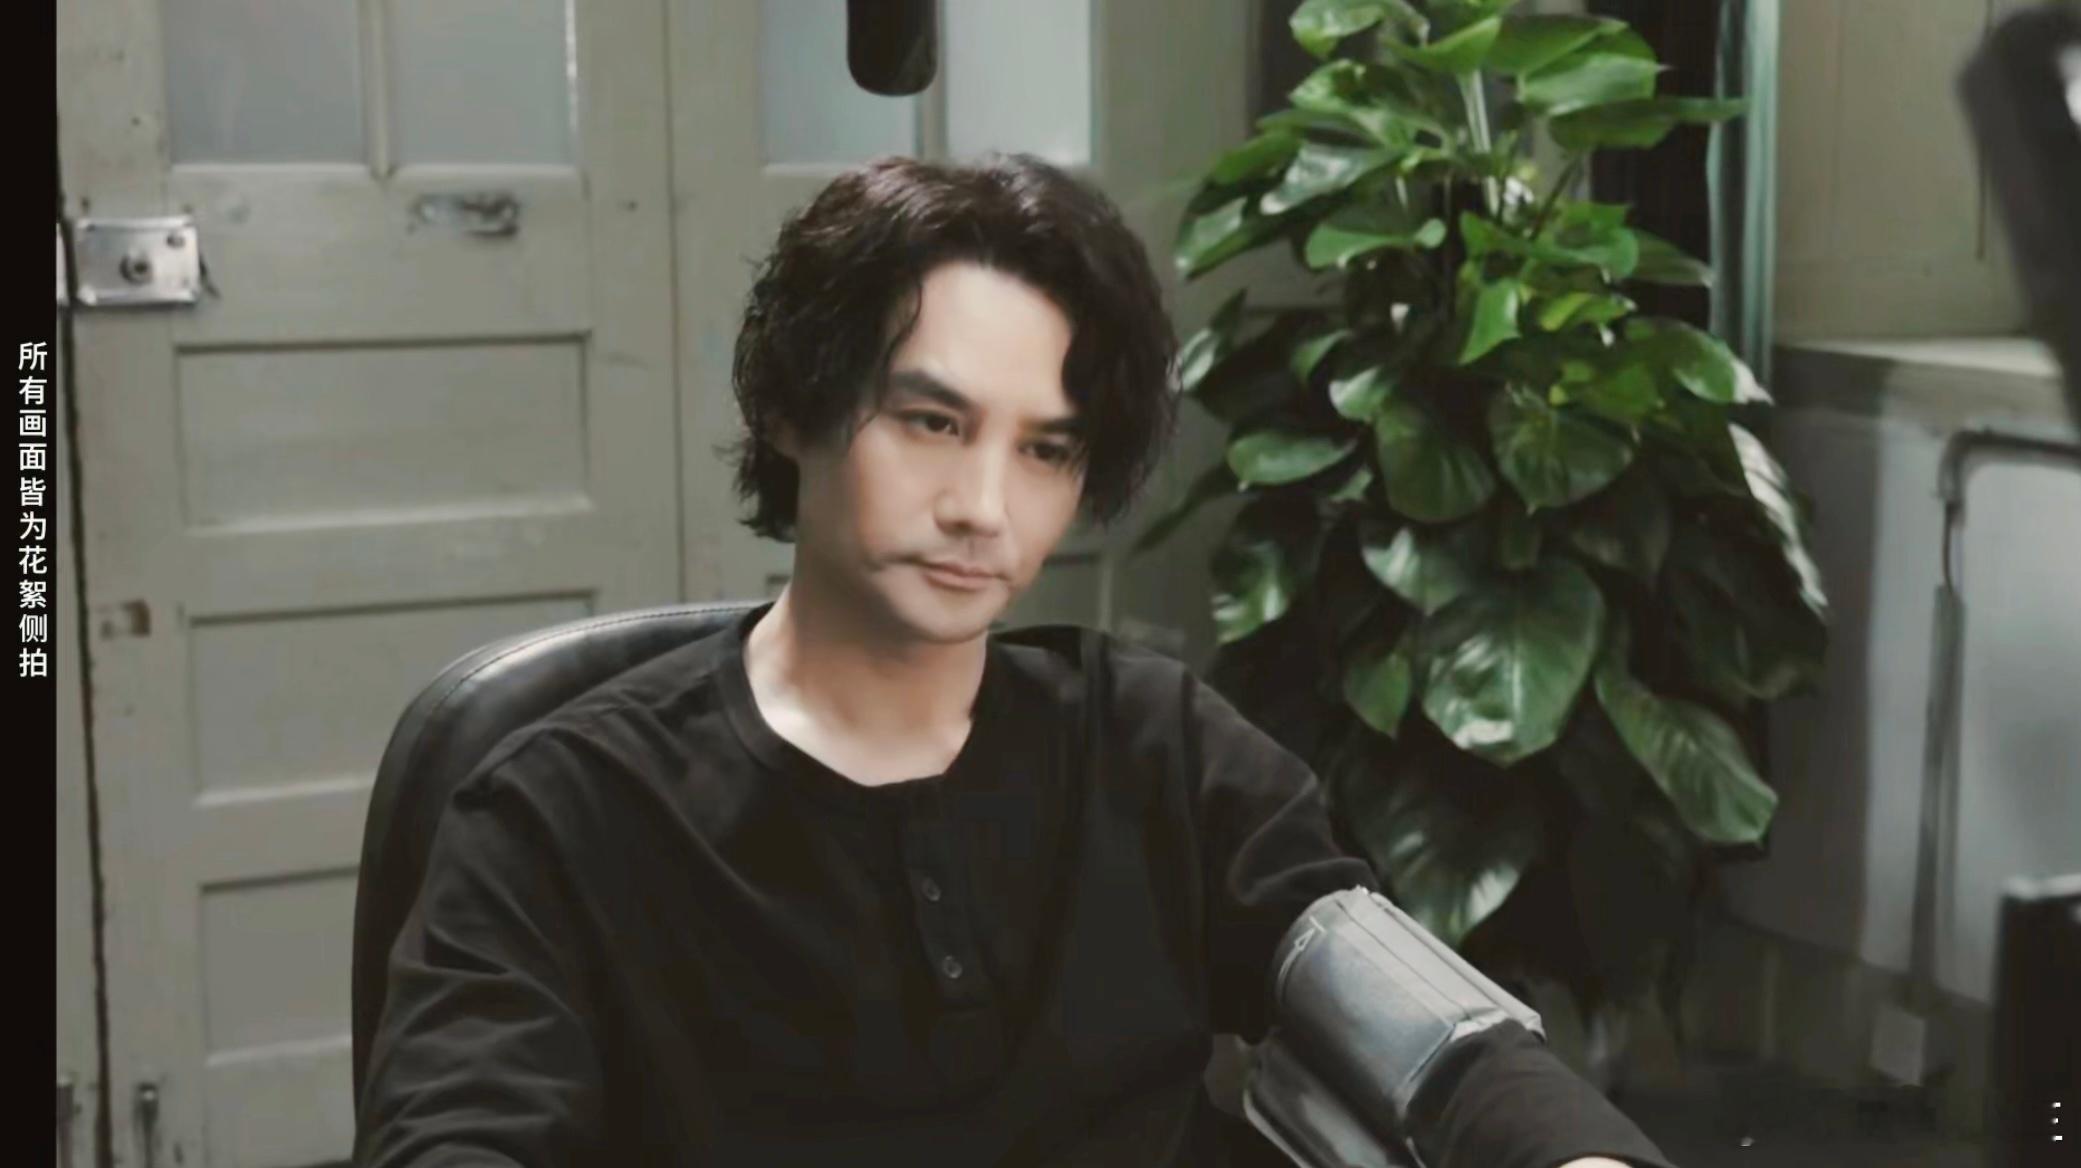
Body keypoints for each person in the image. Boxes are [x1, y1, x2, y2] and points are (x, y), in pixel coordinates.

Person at [355, 153, 1673, 1168]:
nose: (985, 509)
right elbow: (460, 1127)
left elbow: (1413, 1020)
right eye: (932, 423)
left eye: (1045, 450)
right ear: (791, 409)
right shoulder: (557, 814)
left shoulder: (1149, 740)